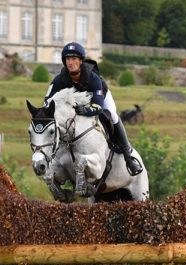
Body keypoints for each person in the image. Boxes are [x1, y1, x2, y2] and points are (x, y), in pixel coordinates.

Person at [43, 42, 143, 176]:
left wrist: (84, 110)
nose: (70, 62)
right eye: (67, 59)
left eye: (73, 59)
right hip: (79, 103)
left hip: (100, 99)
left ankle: (128, 156)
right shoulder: (60, 79)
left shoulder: (93, 78)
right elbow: (47, 101)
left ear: (81, 61)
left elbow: (97, 106)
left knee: (112, 115)